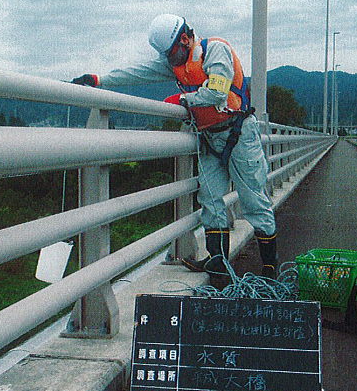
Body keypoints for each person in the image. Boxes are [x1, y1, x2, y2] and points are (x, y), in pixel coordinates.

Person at [73, 14, 277, 278]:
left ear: (185, 39)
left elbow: (217, 93)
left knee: (253, 200)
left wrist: (182, 99)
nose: (169, 61)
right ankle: (219, 265)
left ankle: (270, 269)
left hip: (238, 133)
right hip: (208, 137)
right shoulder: (174, 59)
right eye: (166, 57)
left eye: (171, 54)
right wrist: (100, 80)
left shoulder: (215, 51)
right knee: (210, 200)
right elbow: (139, 73)